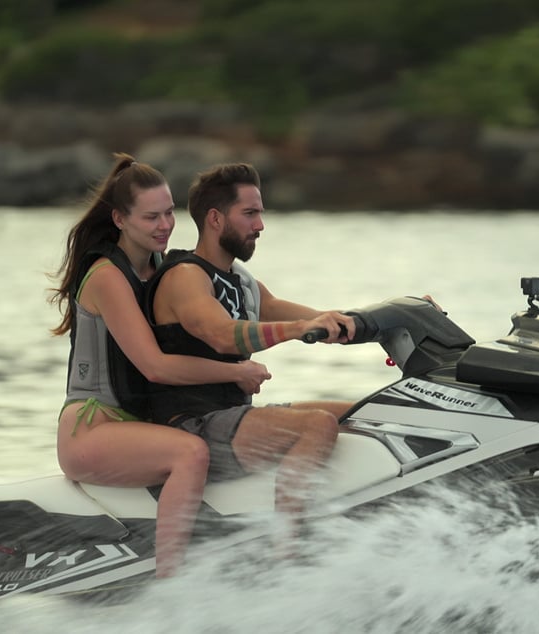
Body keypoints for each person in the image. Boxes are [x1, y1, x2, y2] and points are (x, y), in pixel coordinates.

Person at [49, 153, 271, 578]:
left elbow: (263, 304)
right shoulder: (106, 276)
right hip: (93, 427)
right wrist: (236, 371)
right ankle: (171, 586)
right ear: (119, 219)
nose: (165, 225)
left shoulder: (165, 268)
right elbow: (155, 367)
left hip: (140, 424)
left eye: (169, 212)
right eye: (151, 217)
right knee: (190, 451)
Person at [145, 162, 355, 529]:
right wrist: (299, 329)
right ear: (215, 219)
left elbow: (296, 313)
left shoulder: (240, 279)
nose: (260, 225)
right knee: (317, 425)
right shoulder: (185, 276)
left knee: (363, 413)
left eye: (259, 214)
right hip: (190, 426)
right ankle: (288, 548)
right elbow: (223, 334)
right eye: (250, 214)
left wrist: (380, 319)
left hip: (232, 418)